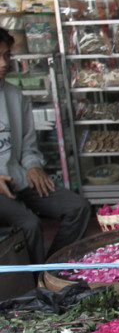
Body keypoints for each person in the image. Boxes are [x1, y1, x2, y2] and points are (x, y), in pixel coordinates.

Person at [0, 29, 91, 264]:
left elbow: (29, 144)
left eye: (6, 56)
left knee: (77, 207)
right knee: (29, 224)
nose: (3, 63)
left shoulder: (13, 94)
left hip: (19, 177)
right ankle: (34, 283)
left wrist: (32, 165)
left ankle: (53, 266)